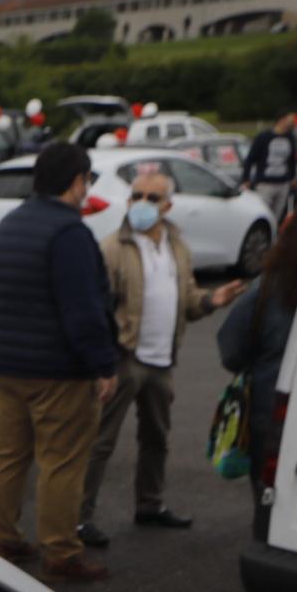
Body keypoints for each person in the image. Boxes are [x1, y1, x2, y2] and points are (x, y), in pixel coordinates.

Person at [77, 169, 246, 547]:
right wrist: (104, 360)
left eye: (152, 198)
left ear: (168, 205)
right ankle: (79, 517)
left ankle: (149, 504)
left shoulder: (177, 246)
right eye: (136, 195)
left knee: (157, 437)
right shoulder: (112, 248)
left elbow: (186, 298)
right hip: (125, 358)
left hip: (162, 359)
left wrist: (210, 300)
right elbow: (96, 308)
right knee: (100, 441)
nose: (141, 204)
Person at [0, 141, 119, 582]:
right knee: (62, 461)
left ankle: (2, 537)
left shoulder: (9, 225)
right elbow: (84, 312)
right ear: (77, 182)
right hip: (56, 370)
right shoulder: (69, 234)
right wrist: (103, 364)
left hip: (5, 363)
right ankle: (61, 550)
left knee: (6, 454)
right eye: (88, 180)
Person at [219, 195, 297, 546]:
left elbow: (231, 346)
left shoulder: (269, 287)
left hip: (270, 407)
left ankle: (267, 563)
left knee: (269, 489)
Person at [241, 113, 297, 224]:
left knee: (277, 215)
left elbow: (292, 160)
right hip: (265, 183)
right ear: (281, 120)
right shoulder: (264, 137)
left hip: (283, 183)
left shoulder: (290, 138)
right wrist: (246, 179)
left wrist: (292, 177)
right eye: (288, 120)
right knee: (263, 212)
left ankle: (274, 235)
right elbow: (250, 159)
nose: (291, 123)